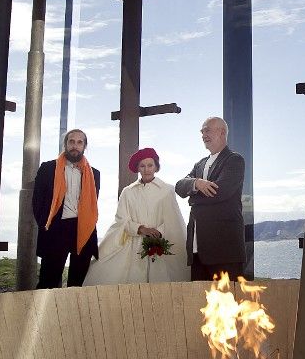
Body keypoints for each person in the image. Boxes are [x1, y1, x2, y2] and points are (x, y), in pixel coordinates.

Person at [83, 147, 189, 285]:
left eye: (150, 165)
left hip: (159, 244)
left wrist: (158, 232)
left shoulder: (167, 190)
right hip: (133, 245)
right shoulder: (128, 192)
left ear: (156, 167)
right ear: (138, 168)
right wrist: (141, 229)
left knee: (160, 283)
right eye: (142, 166)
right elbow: (121, 220)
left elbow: (173, 219)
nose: (147, 169)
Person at [176, 117, 247, 281]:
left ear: (222, 132)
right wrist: (196, 182)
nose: (203, 134)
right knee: (201, 304)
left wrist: (192, 198)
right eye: (202, 131)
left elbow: (220, 192)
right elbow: (179, 187)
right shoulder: (199, 164)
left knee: (229, 304)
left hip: (225, 251)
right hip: (197, 250)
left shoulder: (234, 160)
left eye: (207, 130)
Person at [32, 129, 100, 288]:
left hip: (83, 229)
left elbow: (92, 204)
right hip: (56, 229)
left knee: (77, 283)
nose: (75, 146)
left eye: (79, 142)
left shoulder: (95, 174)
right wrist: (45, 225)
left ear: (84, 146)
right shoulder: (48, 168)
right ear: (65, 144)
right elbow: (37, 202)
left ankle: (72, 313)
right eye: (71, 141)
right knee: (48, 282)